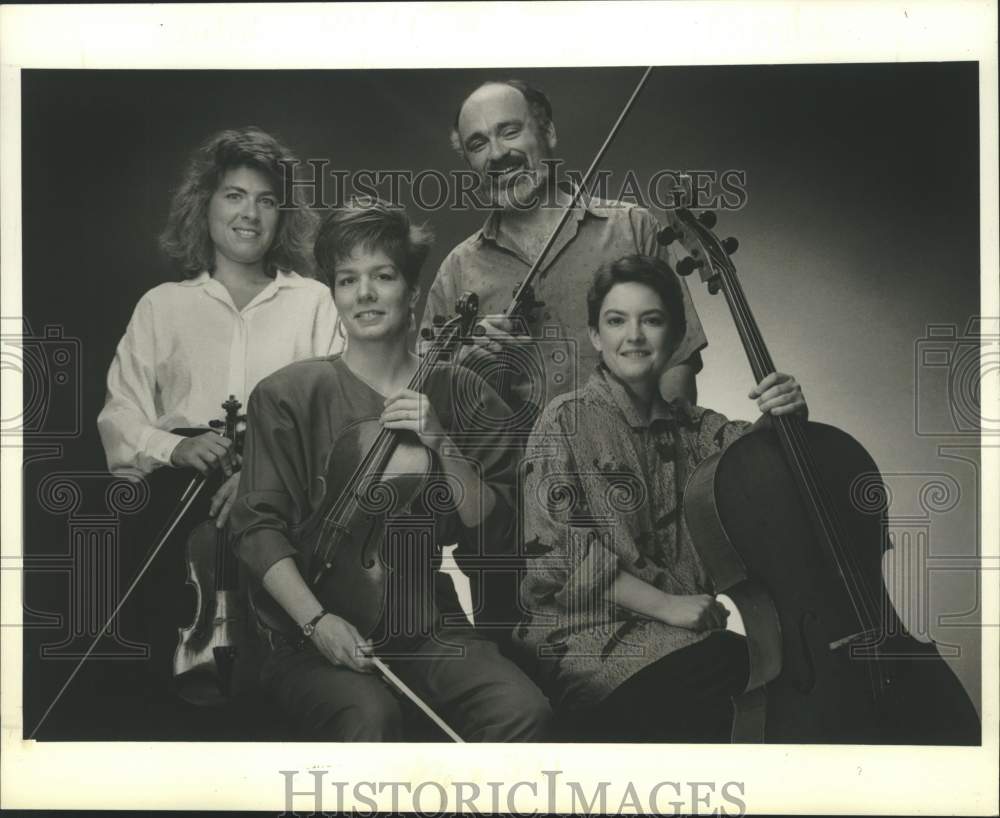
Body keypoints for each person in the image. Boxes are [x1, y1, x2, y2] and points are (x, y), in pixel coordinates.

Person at [229, 198, 552, 741]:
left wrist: (442, 444)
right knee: (371, 717)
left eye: (382, 275)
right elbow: (256, 527)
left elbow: (496, 527)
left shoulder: (460, 391)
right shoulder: (286, 395)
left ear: (413, 292)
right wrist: (317, 622)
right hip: (310, 630)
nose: (365, 294)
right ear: (334, 295)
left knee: (522, 711)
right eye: (348, 280)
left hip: (425, 621)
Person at [513, 254, 807, 742]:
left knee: (777, 677)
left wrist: (789, 414)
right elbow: (558, 558)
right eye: (616, 321)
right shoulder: (564, 420)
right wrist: (668, 605)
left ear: (673, 338)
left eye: (651, 320)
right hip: (587, 641)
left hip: (683, 641)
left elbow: (764, 463)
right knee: (735, 673)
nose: (634, 336)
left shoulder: (698, 429)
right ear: (594, 337)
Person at [96, 127, 343, 706]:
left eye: (266, 199)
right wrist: (173, 446)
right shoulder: (163, 305)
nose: (249, 214)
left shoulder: (315, 301)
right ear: (204, 203)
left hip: (287, 500)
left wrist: (261, 475)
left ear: (284, 214)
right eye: (234, 195)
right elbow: (120, 415)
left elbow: (335, 418)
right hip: (179, 503)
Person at [421, 78, 708, 430]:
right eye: (478, 144)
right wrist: (466, 366)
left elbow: (677, 361)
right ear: (469, 162)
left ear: (549, 133)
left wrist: (659, 457)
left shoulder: (633, 228)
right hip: (514, 481)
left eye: (509, 131)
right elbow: (428, 398)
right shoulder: (457, 271)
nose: (496, 154)